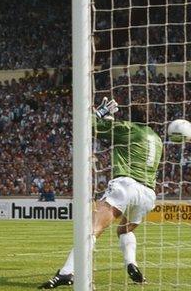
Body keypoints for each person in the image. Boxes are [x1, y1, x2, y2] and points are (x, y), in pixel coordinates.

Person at [39, 98, 191, 288]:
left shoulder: (128, 129)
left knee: (90, 230)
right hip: (148, 194)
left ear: (130, 117)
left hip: (125, 186)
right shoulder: (157, 139)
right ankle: (132, 264)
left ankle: (67, 272)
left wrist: (101, 113)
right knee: (124, 229)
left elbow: (88, 125)